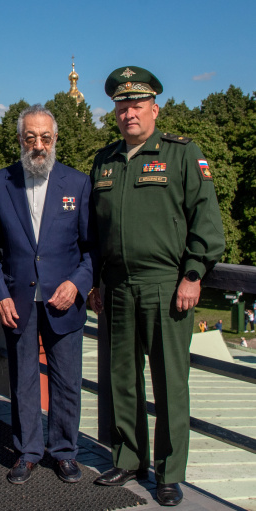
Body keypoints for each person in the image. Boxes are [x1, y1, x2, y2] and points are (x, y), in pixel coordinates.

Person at [89, 66, 225, 506]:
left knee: (169, 382)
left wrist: (193, 273)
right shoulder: (104, 160)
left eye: (137, 104)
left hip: (167, 286)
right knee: (122, 379)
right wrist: (94, 281)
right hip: (117, 286)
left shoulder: (182, 154)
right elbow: (93, 230)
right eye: (122, 105)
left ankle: (169, 472)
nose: (130, 112)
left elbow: (205, 218)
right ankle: (129, 458)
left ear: (154, 108)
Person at [0, 104, 95, 485]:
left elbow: (91, 249)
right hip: (17, 302)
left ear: (56, 138)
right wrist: (0, 294)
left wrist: (77, 283)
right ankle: (28, 451)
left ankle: (64, 451)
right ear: (19, 140)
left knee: (66, 380)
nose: (38, 145)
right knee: (24, 380)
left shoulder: (77, 184)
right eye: (30, 137)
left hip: (64, 301)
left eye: (45, 137)